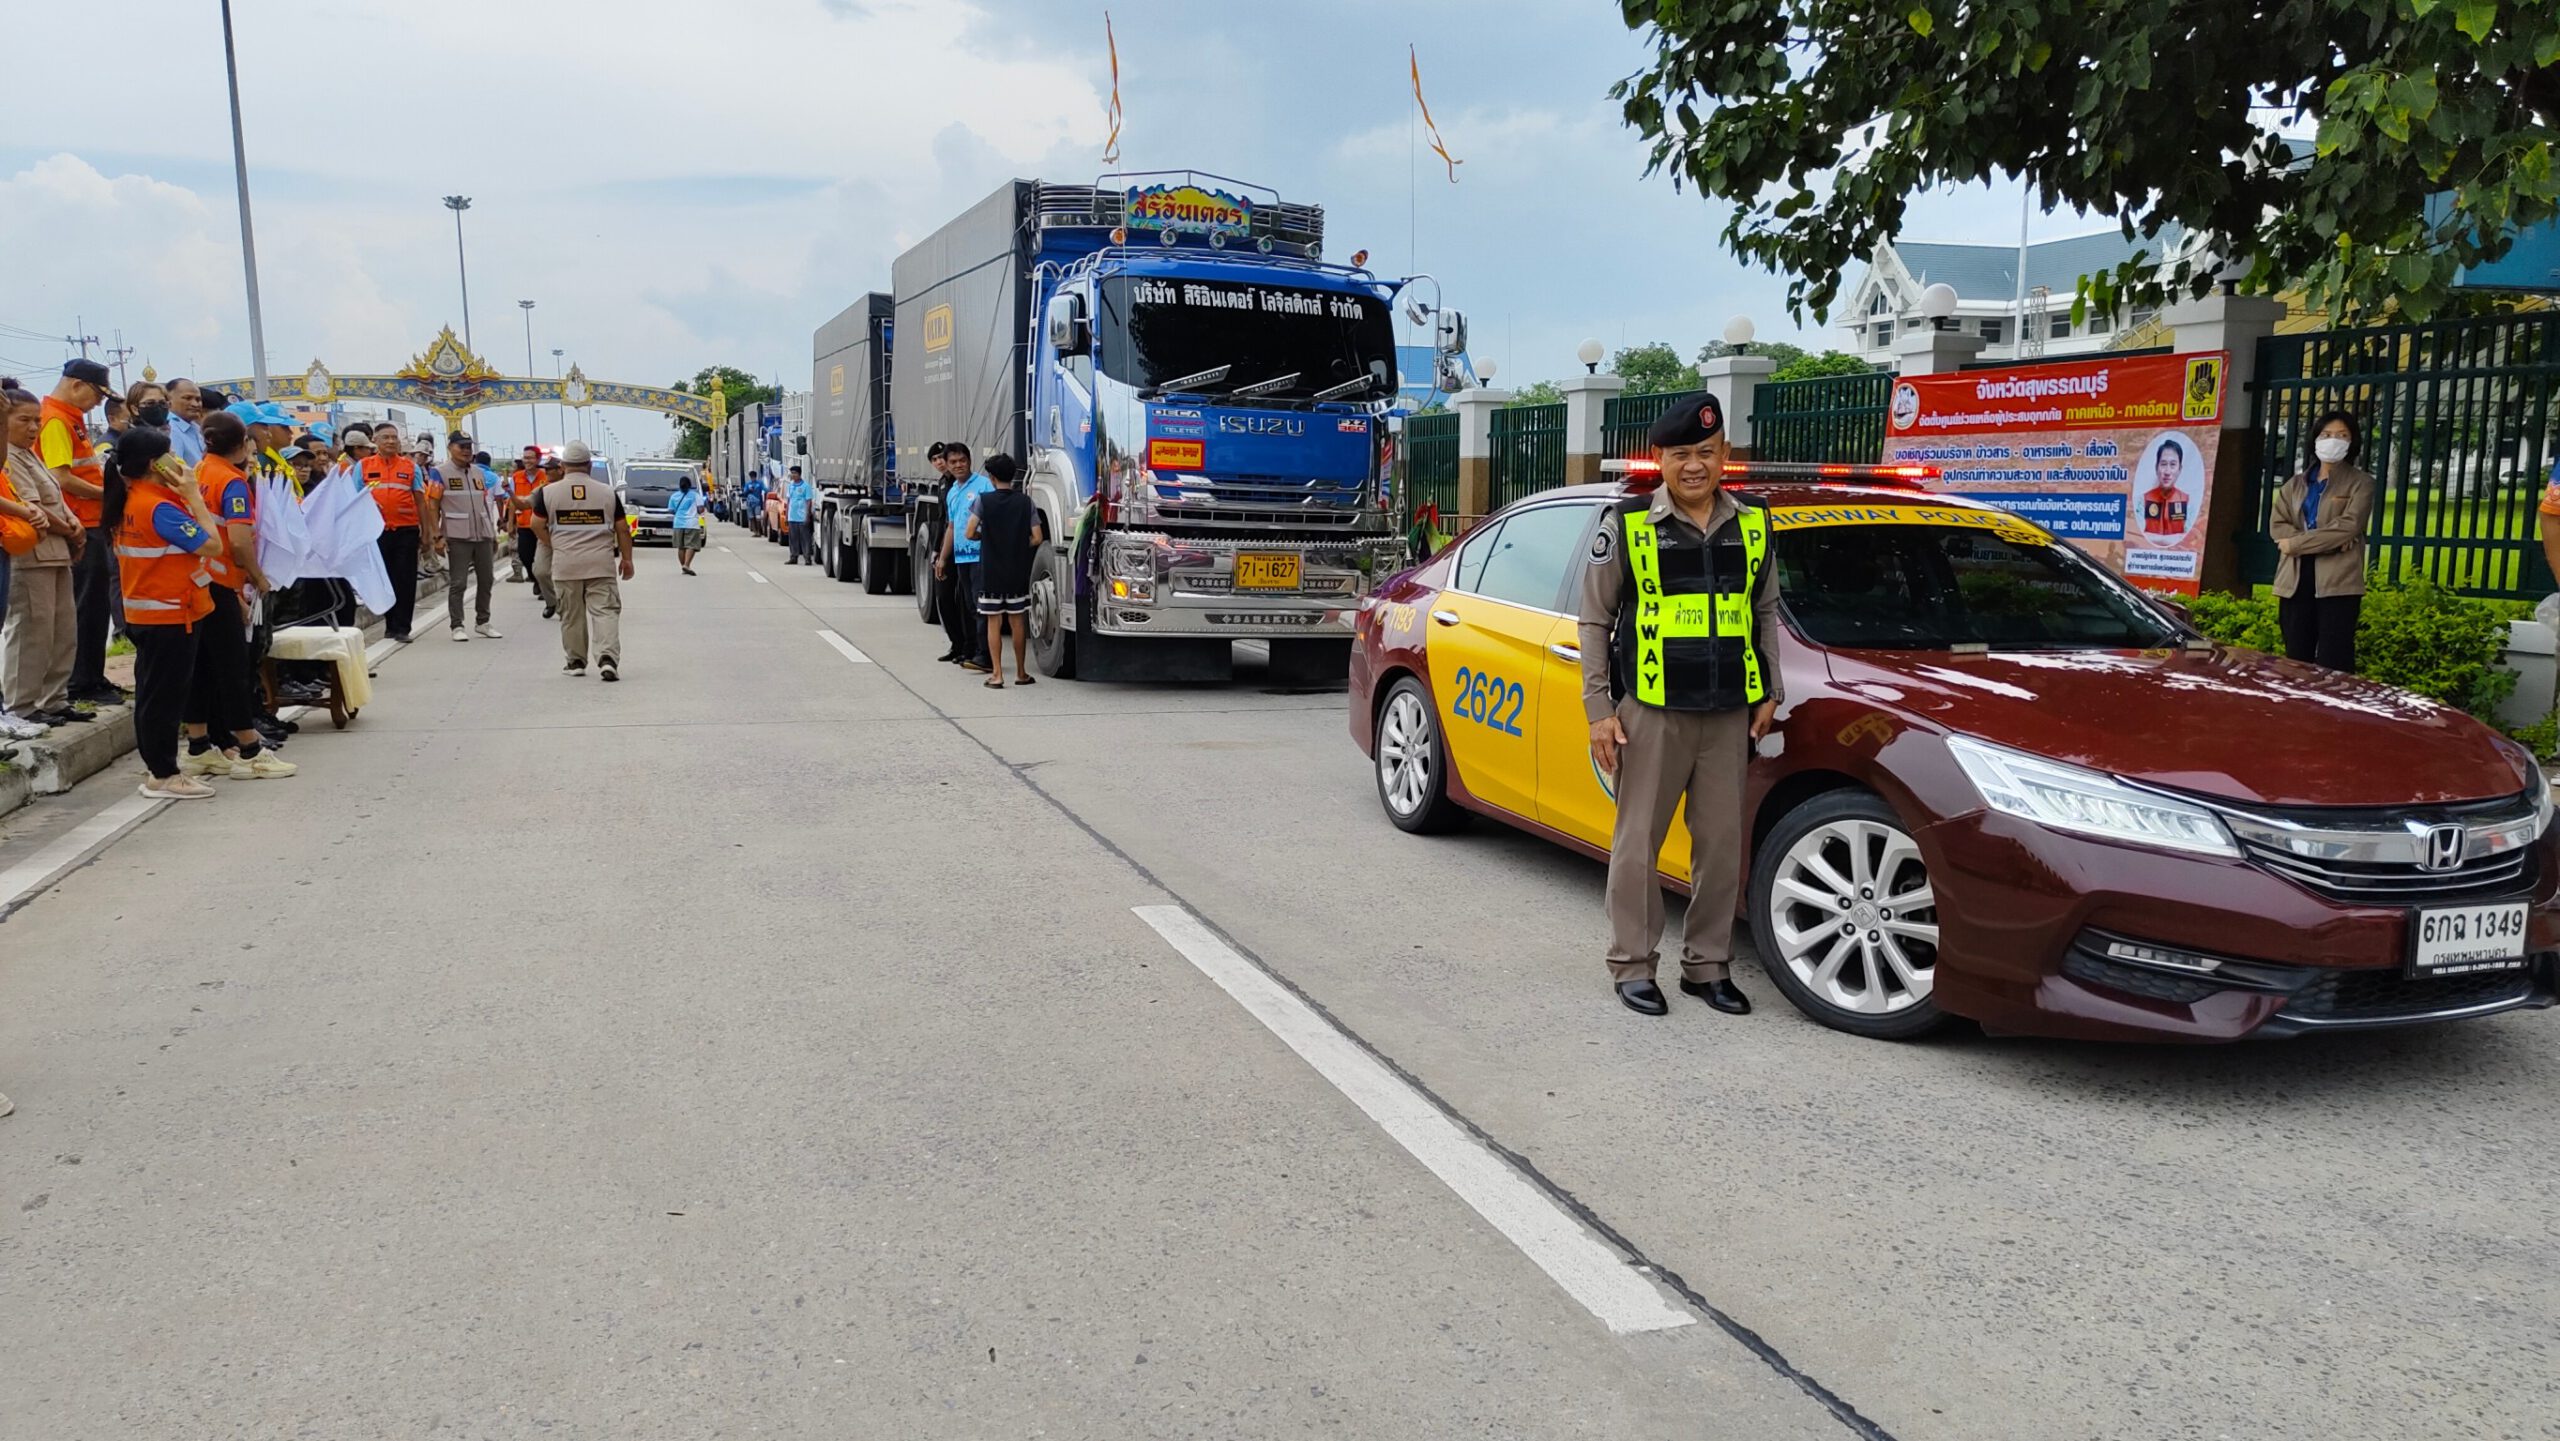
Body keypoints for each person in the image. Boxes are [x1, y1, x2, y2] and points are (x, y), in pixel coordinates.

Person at [1580, 392, 1779, 1018]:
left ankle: (1707, 966)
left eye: (1706, 452)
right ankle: (1633, 965)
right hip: (1652, 711)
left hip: (1728, 711)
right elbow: (1594, 620)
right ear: (1660, 459)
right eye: (1681, 454)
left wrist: (1771, 690)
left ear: (1725, 455)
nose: (1694, 465)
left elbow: (1764, 610)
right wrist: (1598, 709)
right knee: (1637, 845)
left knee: (1720, 846)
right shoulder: (1629, 523)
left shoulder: (1754, 522)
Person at [103, 428, 223, 800]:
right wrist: (193, 495)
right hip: (171, 613)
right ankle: (164, 773)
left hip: (150, 613)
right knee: (164, 700)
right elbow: (213, 545)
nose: (179, 461)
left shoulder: (132, 499)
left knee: (154, 695)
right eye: (171, 454)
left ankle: (160, 768)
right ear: (157, 464)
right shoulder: (158, 508)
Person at [175, 412, 295, 781]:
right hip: (221, 582)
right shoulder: (232, 481)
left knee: (203, 667)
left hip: (198, 578)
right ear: (243, 445)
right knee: (233, 668)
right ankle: (249, 750)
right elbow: (240, 543)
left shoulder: (198, 471)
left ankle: (199, 745)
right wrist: (259, 579)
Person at [45, 359, 127, 707]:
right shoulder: (55, 420)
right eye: (97, 395)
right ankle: (81, 681)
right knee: (86, 606)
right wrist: (109, 495)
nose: (97, 403)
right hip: (79, 522)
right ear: (77, 385)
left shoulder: (70, 418)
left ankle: (93, 675)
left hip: (92, 521)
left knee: (96, 606)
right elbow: (60, 478)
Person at [2269, 410, 2374, 673]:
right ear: (2315, 439)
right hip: (2295, 580)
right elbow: (2278, 525)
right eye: (2326, 435)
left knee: (2335, 660)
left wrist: (2295, 545)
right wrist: (2329, 542)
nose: (2333, 441)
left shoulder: (2361, 483)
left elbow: (2348, 527)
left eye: (2342, 435)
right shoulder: (2295, 485)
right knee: (2296, 659)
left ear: (2352, 442)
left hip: (2338, 583)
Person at [4, 386, 78, 739]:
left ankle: (54, 699)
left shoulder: (30, 455)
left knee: (62, 630)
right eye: (24, 420)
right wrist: (72, 529)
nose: (33, 428)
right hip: (31, 555)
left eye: (37, 420)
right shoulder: (8, 457)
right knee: (31, 632)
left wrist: (72, 524)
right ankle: (21, 705)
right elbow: (35, 509)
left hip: (56, 552)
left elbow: (56, 500)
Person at [528, 441, 632, 681]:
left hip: (566, 565)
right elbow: (623, 529)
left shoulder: (547, 493)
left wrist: (555, 544)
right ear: (589, 465)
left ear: (563, 466)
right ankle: (607, 659)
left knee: (571, 614)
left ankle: (575, 661)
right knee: (605, 612)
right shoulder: (607, 492)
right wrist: (627, 559)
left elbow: (535, 524)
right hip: (600, 564)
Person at [968, 453, 1044, 687]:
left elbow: (969, 533)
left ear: (991, 478)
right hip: (1016, 571)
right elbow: (1037, 538)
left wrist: (986, 538)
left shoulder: (983, 501)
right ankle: (1021, 673)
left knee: (994, 622)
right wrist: (1018, 543)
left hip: (990, 572)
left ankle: (997, 674)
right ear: (1012, 476)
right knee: (1017, 621)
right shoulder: (1026, 502)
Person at [433, 431, 504, 641]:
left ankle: (483, 621)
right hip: (457, 535)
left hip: (482, 534)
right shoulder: (439, 473)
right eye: (461, 446)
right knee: (459, 583)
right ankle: (457, 625)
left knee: (487, 579)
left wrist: (492, 534)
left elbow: (484, 505)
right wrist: (437, 536)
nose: (466, 451)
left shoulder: (479, 473)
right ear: (450, 448)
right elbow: (432, 506)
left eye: (468, 447)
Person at [360, 420, 427, 641]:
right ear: (375, 440)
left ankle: (402, 628)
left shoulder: (411, 467)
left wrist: (427, 532)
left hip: (406, 531)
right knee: (383, 579)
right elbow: (354, 499)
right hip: (376, 533)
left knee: (405, 579)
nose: (390, 441)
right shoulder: (363, 467)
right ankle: (390, 625)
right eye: (385, 437)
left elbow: (421, 501)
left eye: (394, 437)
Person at [934, 442, 994, 672]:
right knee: (969, 606)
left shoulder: (984, 485)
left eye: (962, 461)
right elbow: (951, 527)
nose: (958, 465)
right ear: (947, 465)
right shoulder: (952, 492)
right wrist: (942, 558)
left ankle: (985, 655)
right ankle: (972, 651)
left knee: (981, 606)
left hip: (980, 556)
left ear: (969, 461)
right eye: (953, 462)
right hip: (961, 558)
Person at [2140, 439, 2191, 537]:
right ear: (2156, 467)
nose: (2167, 472)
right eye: (2163, 464)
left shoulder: (2188, 501)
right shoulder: (2142, 500)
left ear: (2180, 469)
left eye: (2173, 465)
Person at [507, 445, 541, 581]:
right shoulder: (516, 477)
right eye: (525, 458)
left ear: (538, 459)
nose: (527, 461)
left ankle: (540, 583)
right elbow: (512, 501)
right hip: (524, 524)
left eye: (530, 458)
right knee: (525, 556)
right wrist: (510, 523)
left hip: (542, 524)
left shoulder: (545, 476)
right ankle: (534, 578)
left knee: (542, 559)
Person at [668, 471, 708, 575]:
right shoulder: (695, 495)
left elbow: (671, 510)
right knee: (691, 545)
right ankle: (686, 565)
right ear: (690, 485)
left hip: (678, 524)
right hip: (692, 524)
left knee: (681, 547)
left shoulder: (674, 496)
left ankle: (683, 567)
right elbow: (700, 509)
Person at [164, 378, 208, 465]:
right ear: (169, 401)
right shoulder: (170, 430)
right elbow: (175, 469)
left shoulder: (195, 427)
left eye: (198, 399)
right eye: (188, 398)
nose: (195, 404)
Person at [781, 465, 816, 564]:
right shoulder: (791, 486)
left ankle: (807, 558)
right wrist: (787, 515)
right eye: (792, 473)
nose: (793, 475)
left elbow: (808, 501)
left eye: (795, 473)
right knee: (793, 538)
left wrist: (807, 515)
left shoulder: (806, 486)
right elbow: (789, 501)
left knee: (805, 538)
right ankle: (793, 557)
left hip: (802, 517)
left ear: (799, 474)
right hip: (792, 517)